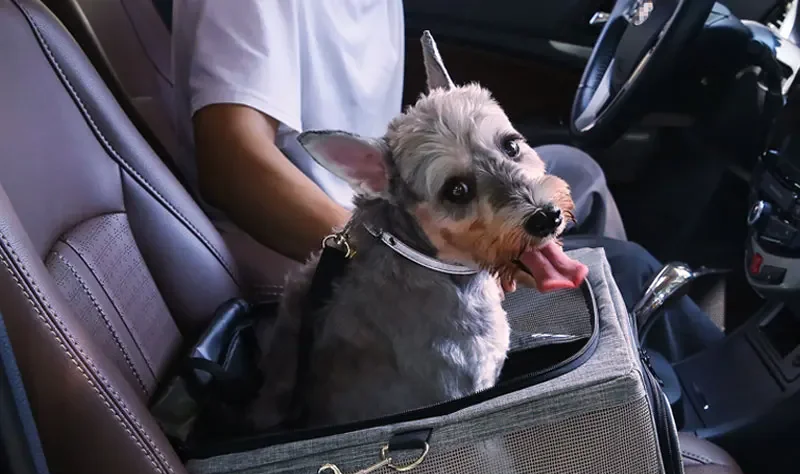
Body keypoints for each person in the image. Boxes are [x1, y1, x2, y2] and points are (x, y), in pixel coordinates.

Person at [171, 0, 722, 363]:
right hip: (330, 265)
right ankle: (707, 435)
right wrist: (408, 263)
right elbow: (232, 162)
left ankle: (632, 377)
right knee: (624, 272)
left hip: (394, 216)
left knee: (574, 169)